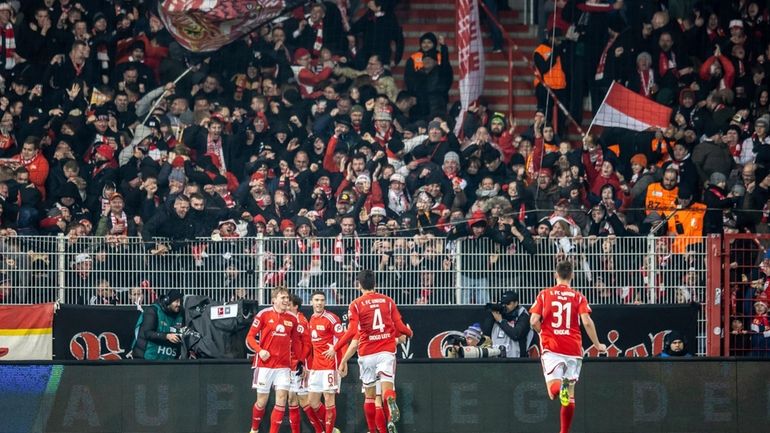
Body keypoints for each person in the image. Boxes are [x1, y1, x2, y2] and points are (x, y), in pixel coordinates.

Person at [325, 270, 413, 433]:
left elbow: (352, 332)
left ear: (359, 285)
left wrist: (336, 348)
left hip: (367, 353)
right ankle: (391, 401)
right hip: (386, 351)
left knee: (370, 396)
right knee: (387, 390)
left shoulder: (356, 304)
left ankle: (372, 431)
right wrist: (409, 333)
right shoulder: (387, 301)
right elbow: (400, 328)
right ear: (375, 284)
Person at [529, 261, 607, 433]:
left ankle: (560, 388)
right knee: (570, 395)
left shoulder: (544, 294)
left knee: (552, 391)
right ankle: (564, 432)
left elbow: (534, 320)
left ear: (555, 274)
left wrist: (542, 332)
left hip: (552, 346)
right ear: (572, 276)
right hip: (573, 349)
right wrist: (597, 344)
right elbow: (586, 321)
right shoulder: (578, 296)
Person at [246, 286, 303, 433]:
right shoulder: (263, 314)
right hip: (265, 365)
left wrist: (301, 361)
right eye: (282, 298)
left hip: (284, 366)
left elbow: (296, 343)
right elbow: (250, 337)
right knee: (262, 402)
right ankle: (254, 429)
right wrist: (260, 350)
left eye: (287, 298)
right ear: (274, 300)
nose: (286, 300)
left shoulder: (292, 319)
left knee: (282, 399)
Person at [307, 290, 344, 433]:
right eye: (316, 300)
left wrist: (339, 355)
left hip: (330, 366)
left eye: (322, 300)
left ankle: (328, 431)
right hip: (316, 367)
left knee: (329, 400)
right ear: (311, 302)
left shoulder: (331, 318)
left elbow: (343, 338)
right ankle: (331, 428)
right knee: (313, 402)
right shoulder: (311, 319)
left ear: (325, 302)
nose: (319, 303)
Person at [287, 294, 318, 433]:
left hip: (300, 366)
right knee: (296, 400)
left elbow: (307, 345)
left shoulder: (300, 321)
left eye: (289, 305)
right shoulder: (287, 319)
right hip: (289, 365)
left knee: (302, 400)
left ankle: (323, 429)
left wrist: (301, 361)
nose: (286, 307)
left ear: (295, 306)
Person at [130, 289, 184, 360]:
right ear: (168, 301)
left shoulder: (181, 314)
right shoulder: (153, 310)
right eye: (176, 301)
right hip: (145, 358)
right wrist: (167, 336)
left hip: (166, 360)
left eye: (180, 301)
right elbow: (148, 333)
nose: (179, 304)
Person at [481, 290, 535, 358]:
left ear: (516, 303)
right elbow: (486, 333)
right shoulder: (498, 314)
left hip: (516, 360)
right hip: (496, 358)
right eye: (503, 303)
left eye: (508, 303)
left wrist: (501, 321)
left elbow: (516, 334)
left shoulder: (523, 315)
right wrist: (491, 315)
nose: (505, 306)